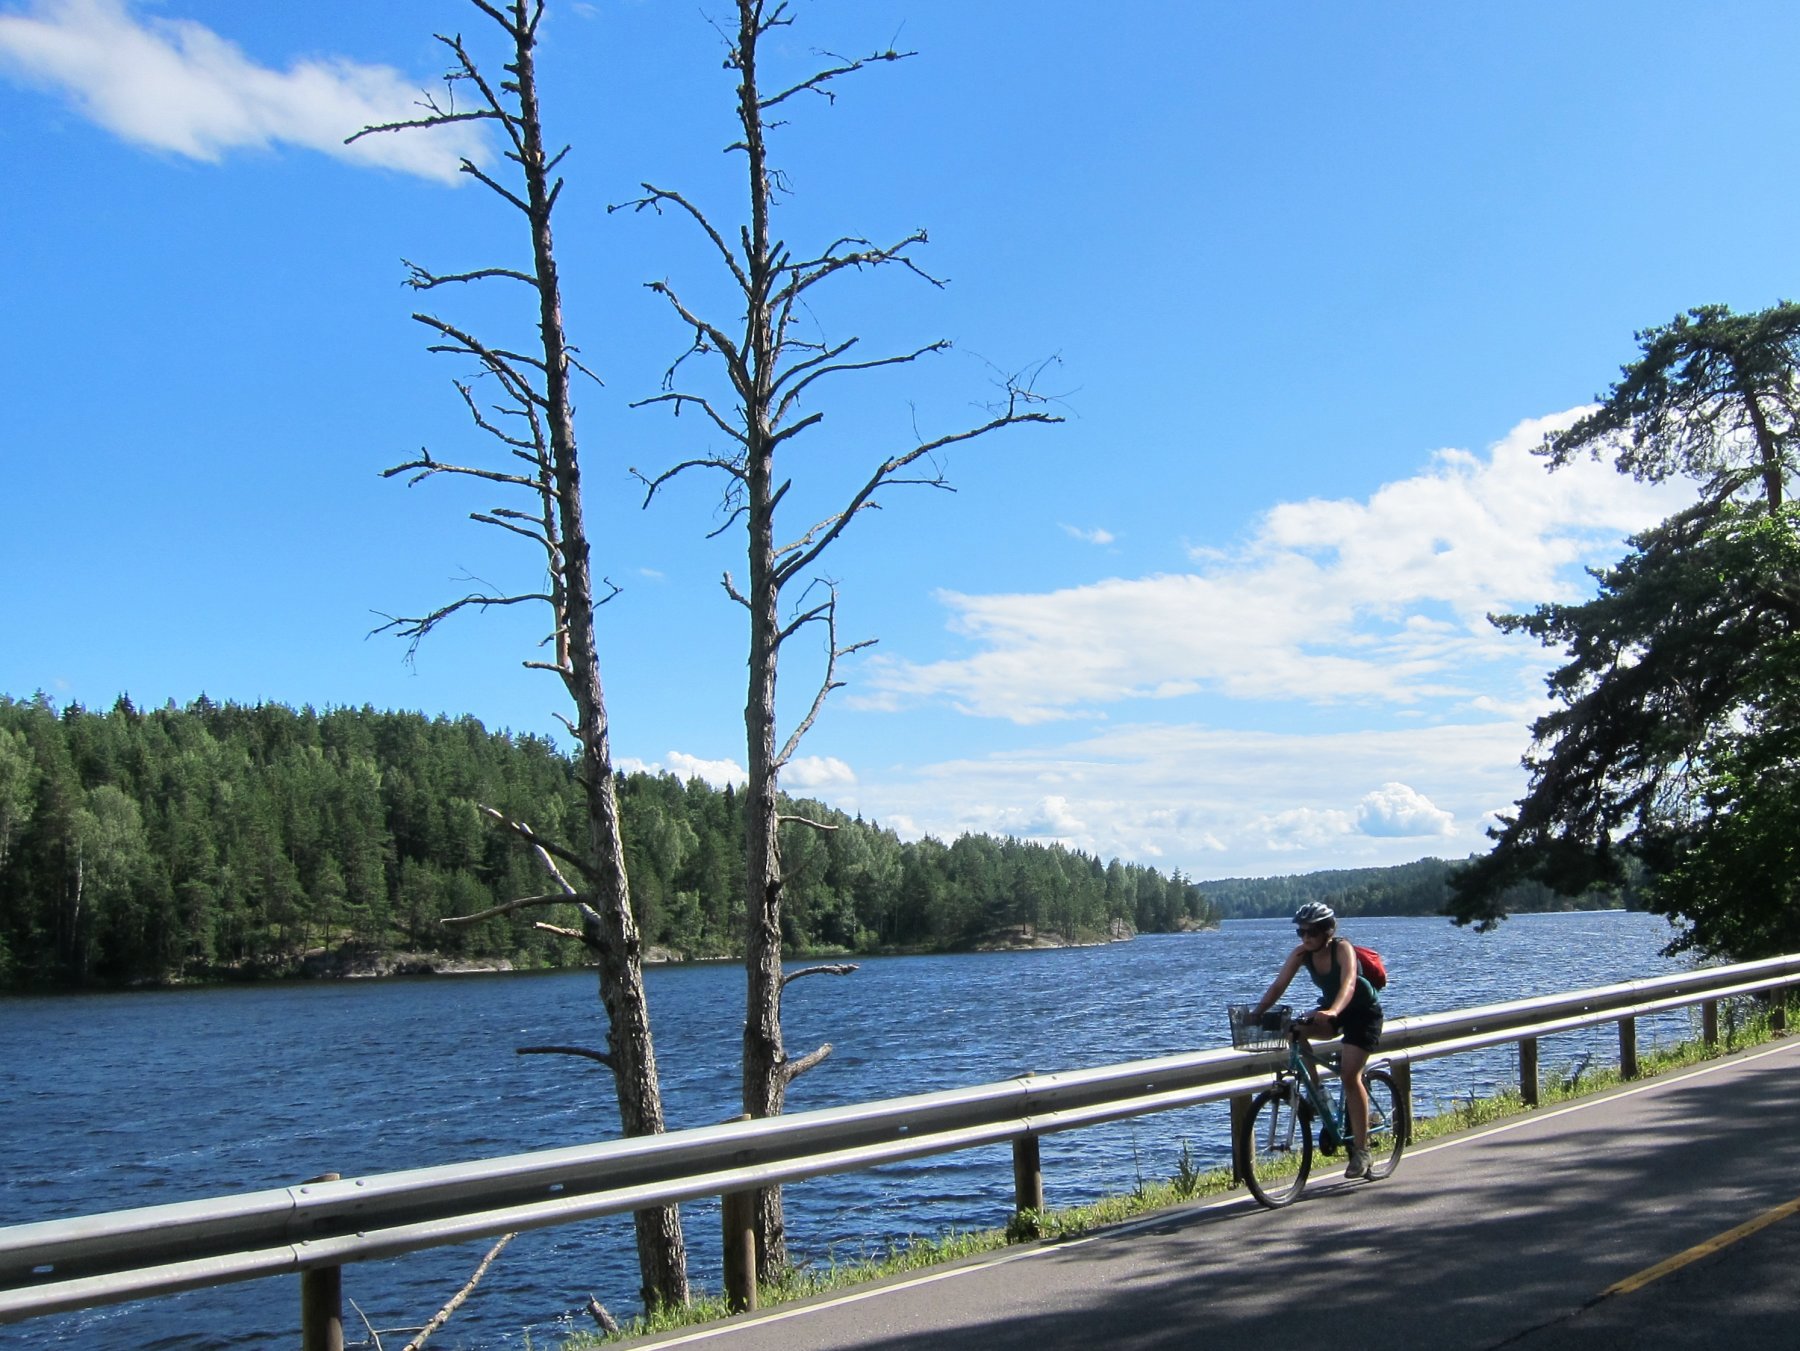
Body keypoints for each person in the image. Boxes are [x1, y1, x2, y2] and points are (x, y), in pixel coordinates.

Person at [1249, 901, 1385, 1179]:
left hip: (1361, 1013)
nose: (1306, 938)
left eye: (1311, 932)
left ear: (1327, 932)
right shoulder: (1302, 954)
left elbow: (1348, 983)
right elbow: (1278, 985)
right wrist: (1257, 1013)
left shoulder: (1342, 948)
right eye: (1301, 933)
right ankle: (1317, 1094)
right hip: (1331, 1010)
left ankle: (1362, 1151)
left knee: (1349, 1076)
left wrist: (1333, 1011)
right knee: (1294, 1031)